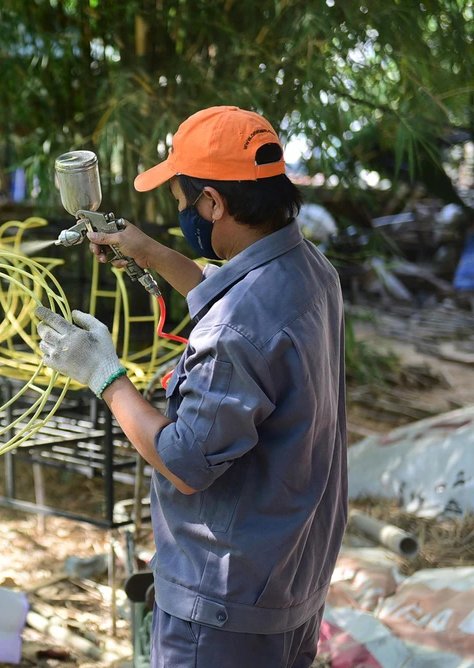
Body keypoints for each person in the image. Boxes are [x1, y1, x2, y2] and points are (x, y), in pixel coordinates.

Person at [35, 106, 347, 667]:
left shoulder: (234, 332)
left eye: (182, 201)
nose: (181, 214)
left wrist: (103, 375)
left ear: (214, 204)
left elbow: (184, 461)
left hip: (222, 610)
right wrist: (152, 253)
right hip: (290, 584)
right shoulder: (310, 270)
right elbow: (239, 295)